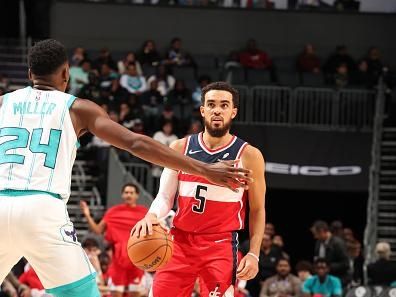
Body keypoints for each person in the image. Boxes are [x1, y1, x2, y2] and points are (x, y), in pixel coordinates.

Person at [0, 39, 251, 297]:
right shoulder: (78, 108)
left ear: (30, 74)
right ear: (66, 73)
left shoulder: (3, 103)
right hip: (42, 208)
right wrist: (206, 169)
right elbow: (135, 142)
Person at [132, 81, 266, 297]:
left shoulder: (249, 155)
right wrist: (151, 215)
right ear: (203, 110)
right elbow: (165, 196)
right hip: (179, 241)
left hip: (220, 244)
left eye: (224, 105)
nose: (217, 110)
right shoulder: (179, 148)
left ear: (233, 112)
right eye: (211, 104)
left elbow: (258, 210)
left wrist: (254, 254)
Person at [80, 184, 147, 297]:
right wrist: (87, 215)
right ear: (122, 195)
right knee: (116, 294)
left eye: (131, 192)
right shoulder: (113, 212)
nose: (128, 195)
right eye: (126, 192)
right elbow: (97, 230)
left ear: (137, 195)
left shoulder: (144, 213)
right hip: (118, 260)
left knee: (135, 294)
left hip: (136, 259)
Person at [311, 221, 349, 285]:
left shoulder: (338, 243)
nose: (315, 237)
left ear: (322, 231)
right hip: (323, 279)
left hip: (337, 279)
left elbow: (345, 264)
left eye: (316, 234)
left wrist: (328, 267)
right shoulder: (318, 243)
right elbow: (316, 258)